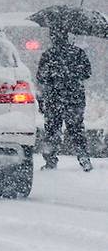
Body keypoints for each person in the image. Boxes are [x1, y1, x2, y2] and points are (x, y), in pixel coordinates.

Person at [36, 29, 93, 172]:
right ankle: (84, 159)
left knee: (52, 130)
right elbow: (87, 73)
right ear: (68, 38)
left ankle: (50, 161)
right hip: (75, 98)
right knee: (76, 130)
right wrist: (72, 73)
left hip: (54, 99)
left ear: (53, 38)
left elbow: (41, 77)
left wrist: (54, 77)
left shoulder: (48, 55)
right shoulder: (78, 53)